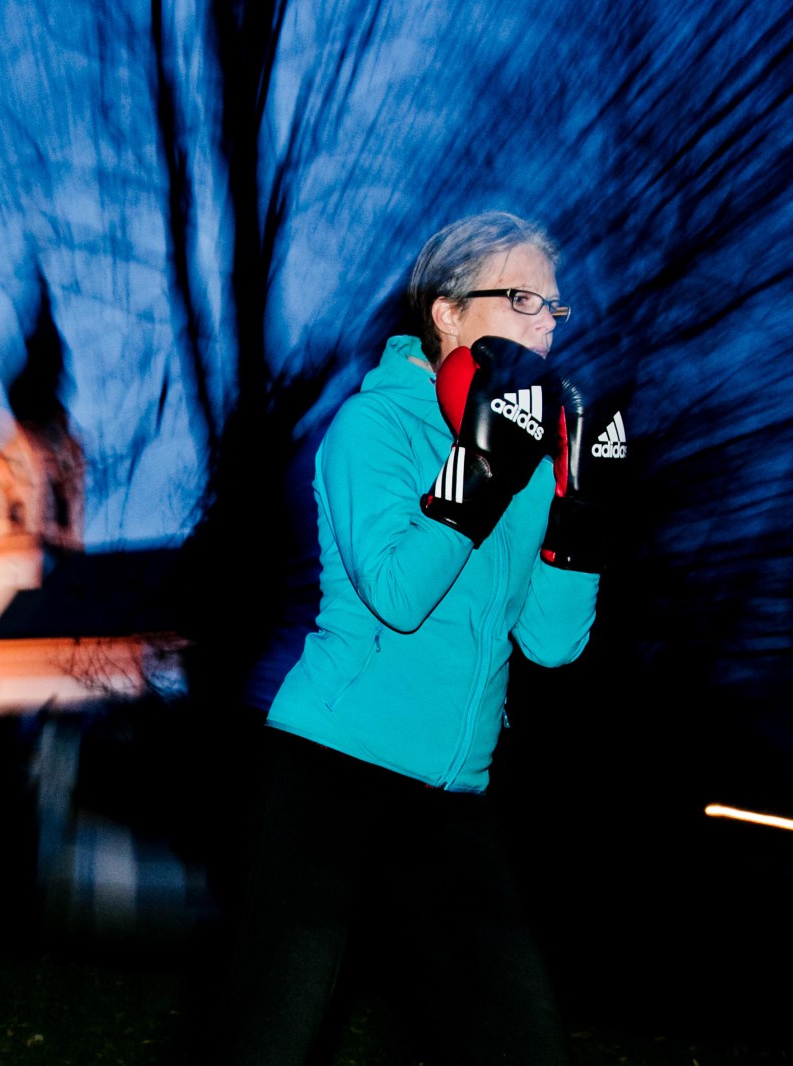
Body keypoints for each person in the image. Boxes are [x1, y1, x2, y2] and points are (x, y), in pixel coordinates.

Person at [212, 211, 623, 1064]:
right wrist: (483, 469)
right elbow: (399, 592)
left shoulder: (531, 454)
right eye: (521, 298)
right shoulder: (375, 429)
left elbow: (550, 644)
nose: (546, 320)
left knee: (521, 1041)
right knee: (269, 1037)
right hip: (333, 769)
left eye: (554, 307)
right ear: (447, 312)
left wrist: (576, 519)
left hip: (453, 795)